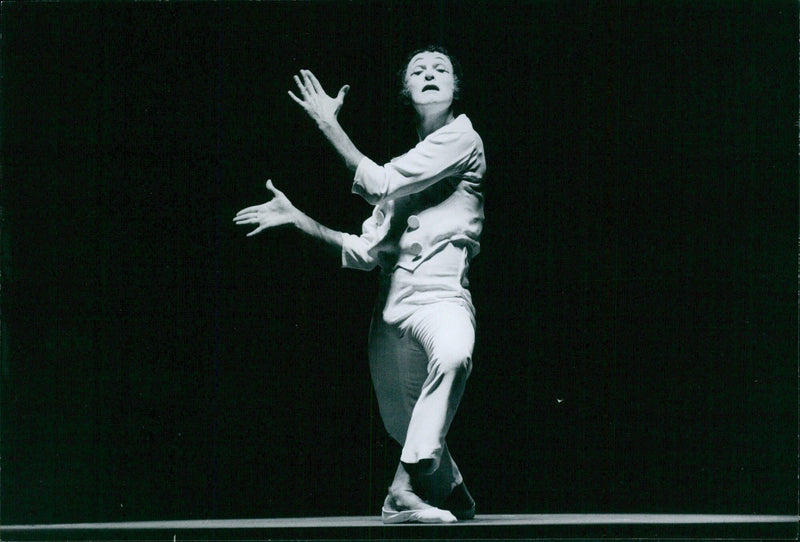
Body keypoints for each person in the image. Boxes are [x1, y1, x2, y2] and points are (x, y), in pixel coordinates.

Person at [234, 46, 485, 524]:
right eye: (418, 70)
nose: (430, 75)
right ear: (406, 92)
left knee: (454, 355)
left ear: (455, 88)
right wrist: (298, 219)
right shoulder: (409, 165)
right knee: (402, 424)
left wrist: (328, 123)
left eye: (441, 70)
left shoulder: (462, 138)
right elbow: (365, 252)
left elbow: (380, 182)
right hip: (390, 309)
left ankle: (399, 493)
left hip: (441, 297)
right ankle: (450, 488)